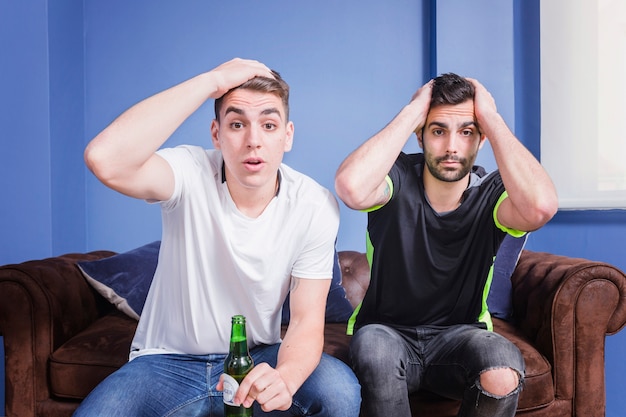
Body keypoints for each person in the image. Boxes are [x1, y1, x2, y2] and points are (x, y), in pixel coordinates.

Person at [74, 58, 360, 417]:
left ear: (287, 136)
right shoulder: (189, 171)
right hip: (167, 363)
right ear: (216, 133)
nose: (253, 141)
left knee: (338, 390)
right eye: (237, 124)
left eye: (268, 125)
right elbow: (104, 158)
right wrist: (212, 81)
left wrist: (285, 378)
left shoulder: (314, 205)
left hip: (256, 357)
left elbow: (305, 321)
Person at [334, 73, 558, 416]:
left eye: (467, 132)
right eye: (438, 131)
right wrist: (412, 112)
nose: (452, 146)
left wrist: (493, 120)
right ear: (421, 136)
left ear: (480, 139)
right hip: (387, 334)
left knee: (501, 368)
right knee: (375, 349)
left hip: (461, 337)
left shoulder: (493, 193)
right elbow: (350, 187)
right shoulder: (395, 177)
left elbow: (540, 207)